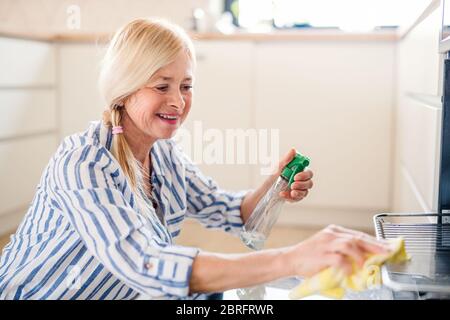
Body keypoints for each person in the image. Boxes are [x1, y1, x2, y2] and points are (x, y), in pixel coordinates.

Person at [0, 18, 390, 300]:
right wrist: (292, 259)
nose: (178, 101)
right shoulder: (83, 163)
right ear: (124, 90)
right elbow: (147, 266)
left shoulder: (163, 154)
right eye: (161, 86)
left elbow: (232, 212)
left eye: (186, 86)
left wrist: (274, 186)